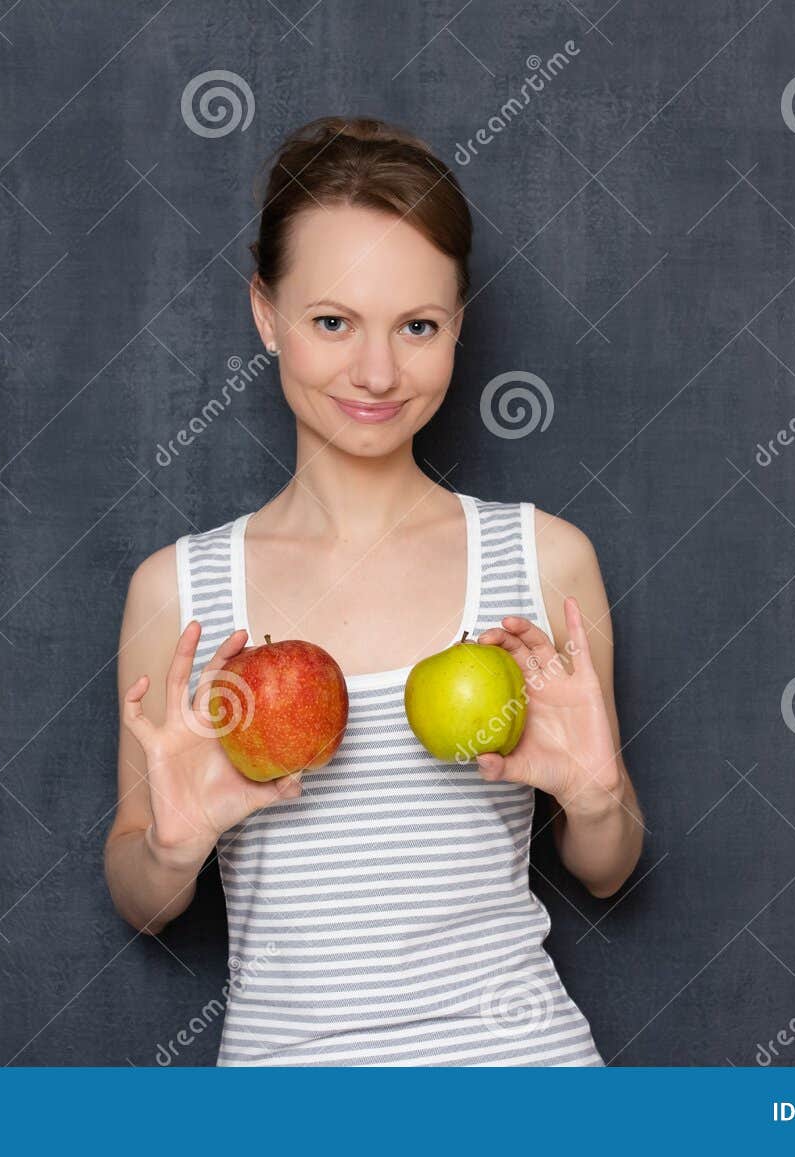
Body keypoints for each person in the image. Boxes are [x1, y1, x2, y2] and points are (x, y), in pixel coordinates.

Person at [105, 115, 644, 1065]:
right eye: (331, 321)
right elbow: (144, 900)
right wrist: (173, 848)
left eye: (418, 326)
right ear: (265, 314)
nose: (379, 372)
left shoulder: (546, 561)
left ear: (458, 326)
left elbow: (608, 870)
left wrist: (598, 800)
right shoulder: (177, 591)